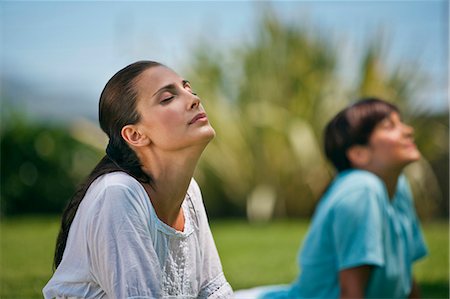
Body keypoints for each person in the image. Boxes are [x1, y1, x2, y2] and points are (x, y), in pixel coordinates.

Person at [43, 61, 233, 299]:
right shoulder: (117, 194)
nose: (193, 99)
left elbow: (213, 292)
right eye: (167, 98)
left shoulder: (189, 193)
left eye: (188, 89)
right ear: (135, 135)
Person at [234, 98, 427, 298]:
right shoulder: (363, 190)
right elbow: (350, 292)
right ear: (359, 153)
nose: (408, 130)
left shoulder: (398, 187)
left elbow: (406, 276)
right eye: (389, 126)